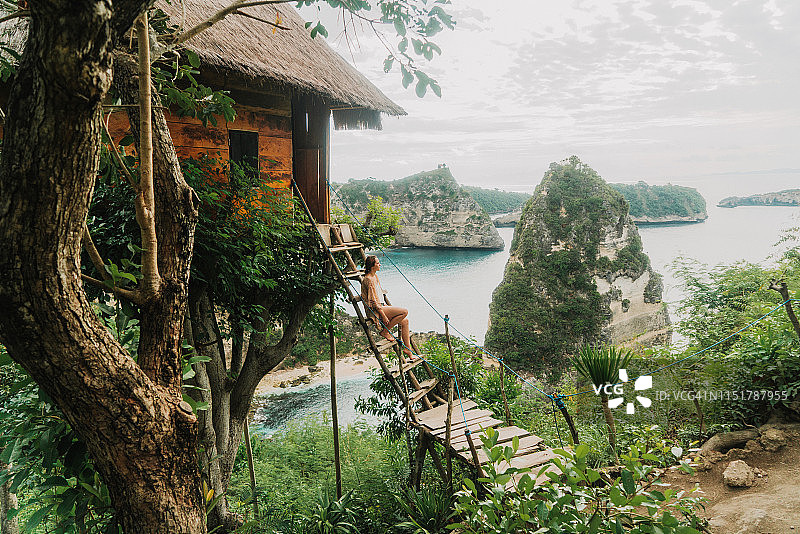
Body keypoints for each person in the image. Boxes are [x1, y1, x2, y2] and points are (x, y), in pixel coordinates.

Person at [361, 255, 418, 360]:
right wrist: (383, 315)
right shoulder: (368, 279)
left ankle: (408, 350)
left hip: (381, 306)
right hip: (374, 310)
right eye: (377, 263)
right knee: (404, 311)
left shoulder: (375, 276)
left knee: (405, 321)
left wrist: (385, 307)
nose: (380, 264)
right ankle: (385, 331)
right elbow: (373, 301)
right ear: (372, 266)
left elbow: (378, 296)